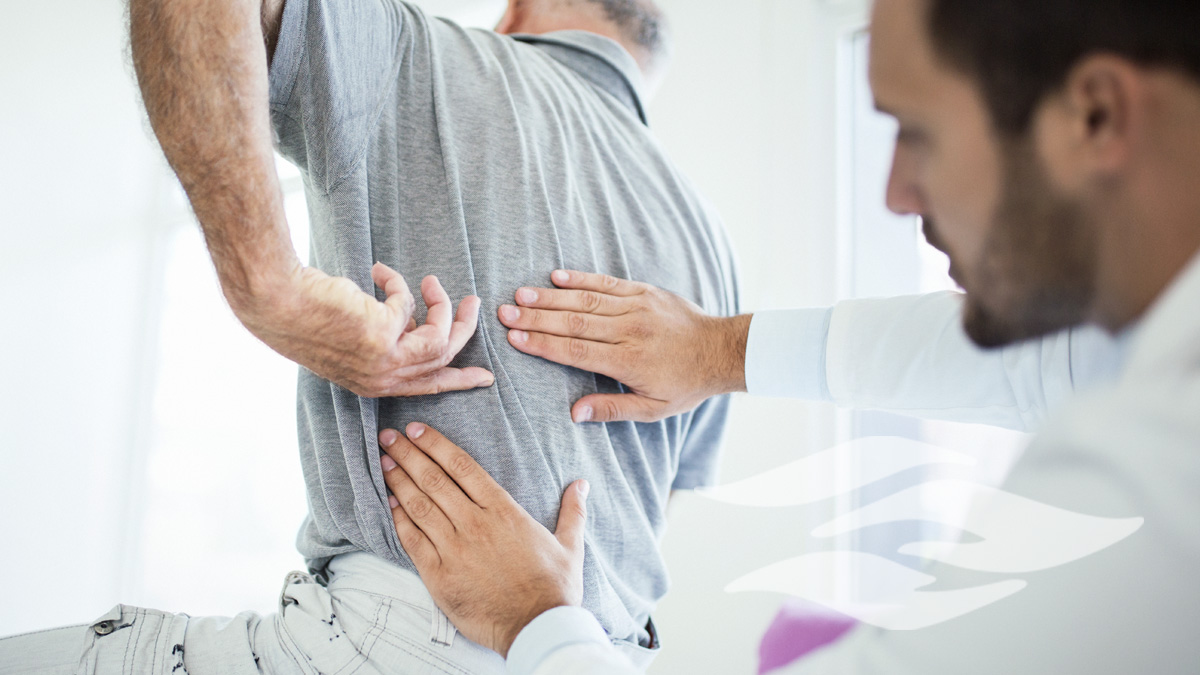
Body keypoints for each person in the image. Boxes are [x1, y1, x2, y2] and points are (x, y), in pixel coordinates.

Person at [373, 0, 1200, 672]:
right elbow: (1039, 366)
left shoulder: (1162, 463)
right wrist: (715, 350)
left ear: (1094, 113)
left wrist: (539, 621)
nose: (895, 193)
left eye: (917, 131)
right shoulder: (1146, 356)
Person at [0, 0, 741, 673]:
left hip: (406, 637)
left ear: (515, 12)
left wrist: (272, 289)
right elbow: (652, 511)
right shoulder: (713, 252)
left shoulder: (423, 53)